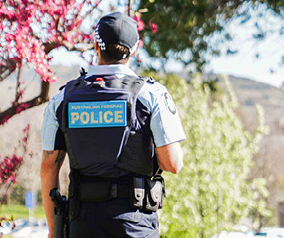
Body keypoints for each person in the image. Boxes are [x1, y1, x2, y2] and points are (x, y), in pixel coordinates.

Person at [40, 12, 186, 238]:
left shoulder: (62, 100)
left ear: (96, 47)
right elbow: (172, 163)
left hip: (82, 224)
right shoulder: (152, 95)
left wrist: (53, 230)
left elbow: (49, 167)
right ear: (134, 51)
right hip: (135, 225)